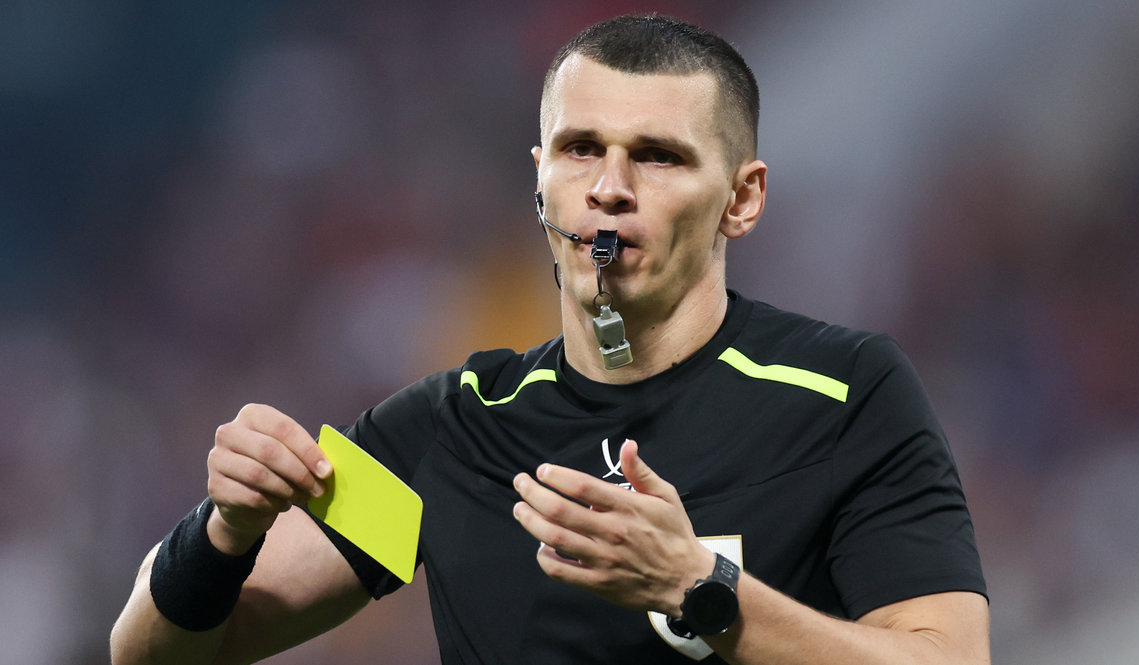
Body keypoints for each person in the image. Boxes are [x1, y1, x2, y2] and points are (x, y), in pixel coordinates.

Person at [111, 14, 989, 665]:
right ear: (539, 180)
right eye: (579, 149)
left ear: (742, 197)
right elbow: (153, 653)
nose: (609, 187)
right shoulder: (451, 429)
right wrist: (222, 531)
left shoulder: (843, 394)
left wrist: (699, 588)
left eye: (658, 155)